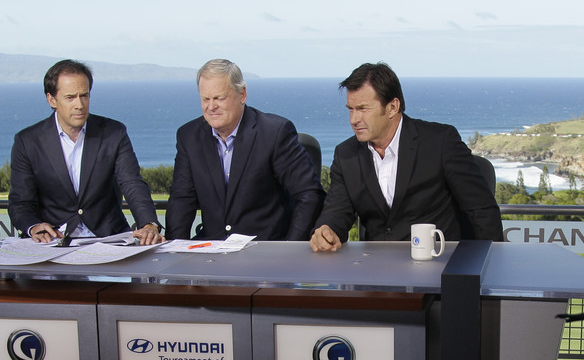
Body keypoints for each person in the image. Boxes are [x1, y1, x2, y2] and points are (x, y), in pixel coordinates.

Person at [310, 62, 502, 252]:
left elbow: (482, 209)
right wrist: (328, 230)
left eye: (363, 109)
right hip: (376, 269)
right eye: (350, 109)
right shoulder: (346, 154)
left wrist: (487, 267)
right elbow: (337, 211)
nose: (353, 119)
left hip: (439, 267)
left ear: (393, 107)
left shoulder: (440, 142)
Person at [166, 59, 323, 242]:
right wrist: (173, 252)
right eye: (205, 99)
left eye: (219, 98)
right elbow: (181, 200)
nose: (211, 107)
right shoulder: (189, 136)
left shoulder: (275, 133)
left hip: (266, 251)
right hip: (212, 250)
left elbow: (309, 195)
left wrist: (290, 249)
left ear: (242, 94)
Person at [8, 59, 162, 244]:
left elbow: (132, 183)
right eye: (70, 97)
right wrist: (33, 226)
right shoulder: (28, 141)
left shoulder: (114, 133)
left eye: (85, 96)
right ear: (52, 99)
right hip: (55, 242)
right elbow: (21, 202)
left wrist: (149, 223)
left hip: (110, 239)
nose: (79, 105)